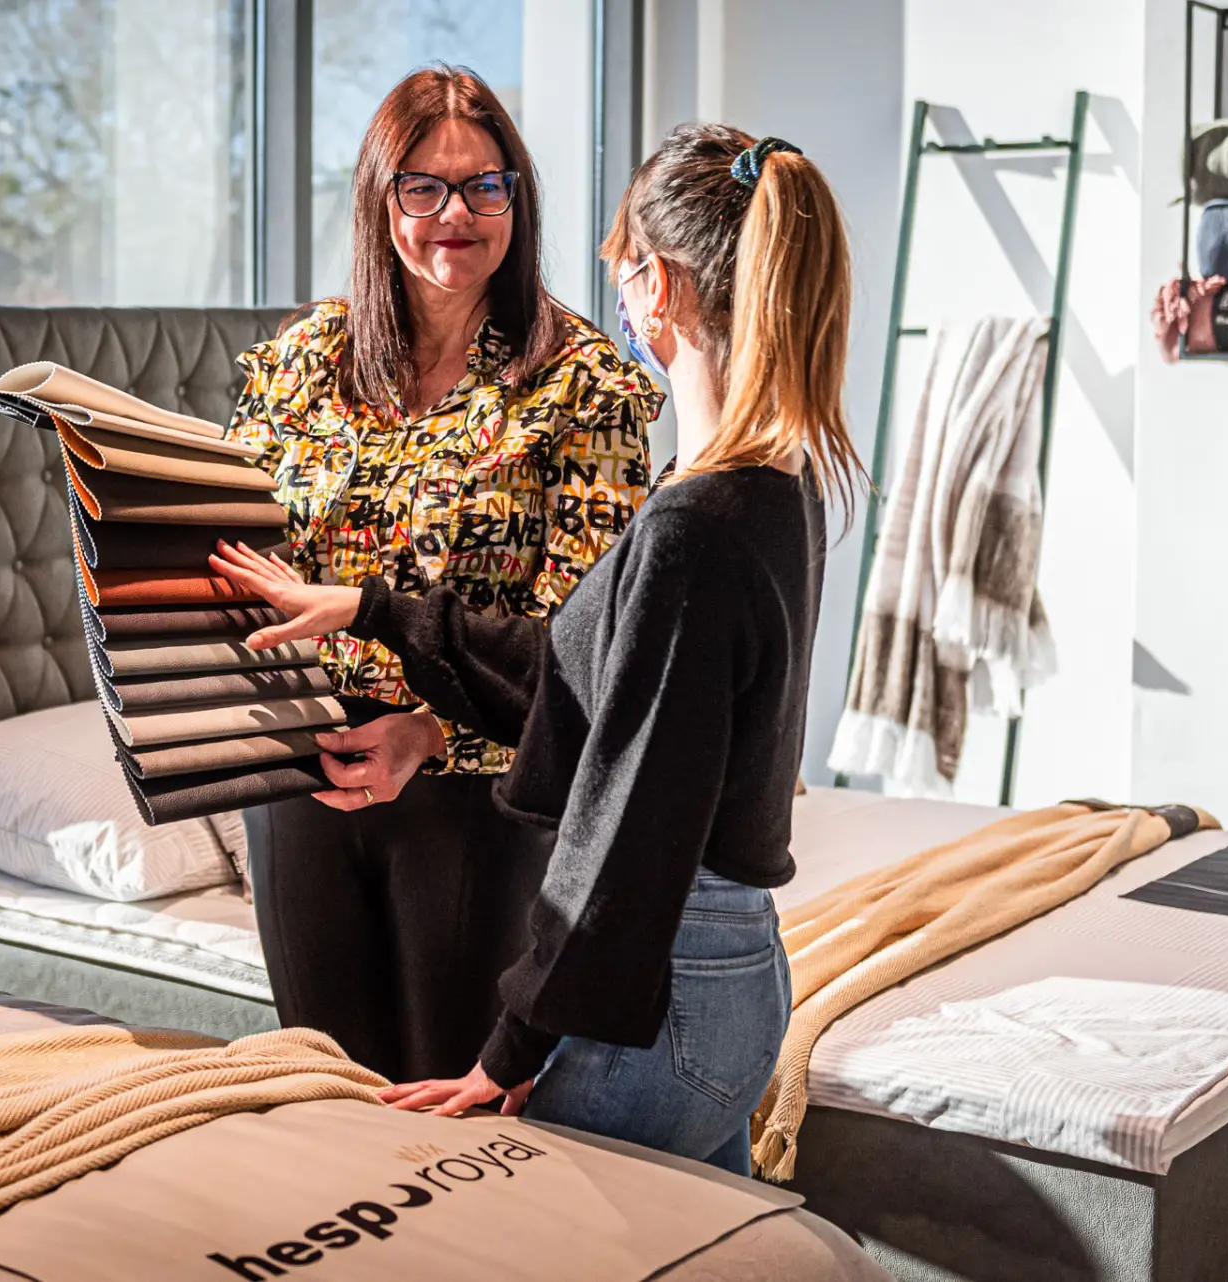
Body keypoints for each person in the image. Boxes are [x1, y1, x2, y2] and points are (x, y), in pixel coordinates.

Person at [213, 125, 861, 1176]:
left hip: (665, 993)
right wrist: (372, 610)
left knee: (503, 1229)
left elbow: (631, 826)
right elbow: (573, 682)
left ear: (659, 288)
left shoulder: (693, 527)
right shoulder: (776, 487)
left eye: (623, 270)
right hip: (730, 973)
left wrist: (511, 1046)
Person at [226, 66, 662, 1085]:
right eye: (422, 187)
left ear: (517, 198)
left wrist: (427, 732)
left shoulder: (583, 382)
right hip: (301, 778)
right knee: (325, 1087)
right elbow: (237, 550)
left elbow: (581, 646)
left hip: (478, 792)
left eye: (483, 186)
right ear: (380, 201)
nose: (454, 214)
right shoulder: (299, 363)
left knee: (444, 1109)